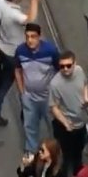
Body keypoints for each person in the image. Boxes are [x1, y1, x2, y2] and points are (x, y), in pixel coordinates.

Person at [0, 0, 42, 126]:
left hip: (3, 47)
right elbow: (30, 19)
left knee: (6, 80)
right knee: (23, 83)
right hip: (16, 53)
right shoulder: (13, 14)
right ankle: (26, 115)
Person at [15, 23, 59, 155]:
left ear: (39, 37)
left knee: (53, 125)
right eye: (27, 36)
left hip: (48, 97)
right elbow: (17, 70)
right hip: (29, 97)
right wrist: (22, 92)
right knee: (30, 126)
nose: (30, 40)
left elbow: (59, 71)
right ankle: (31, 152)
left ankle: (55, 150)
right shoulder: (20, 51)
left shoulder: (50, 51)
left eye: (33, 36)